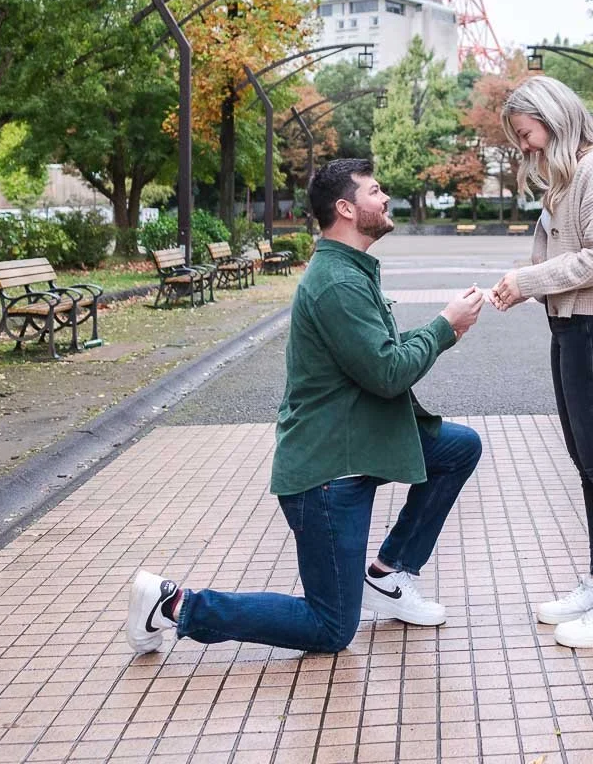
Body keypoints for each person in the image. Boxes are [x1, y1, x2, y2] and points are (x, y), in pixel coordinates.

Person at [124, 158, 486, 655]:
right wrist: (444, 325)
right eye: (375, 191)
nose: (385, 199)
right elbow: (386, 373)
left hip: (358, 442)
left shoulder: (349, 271)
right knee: (330, 627)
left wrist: (442, 331)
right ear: (346, 208)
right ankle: (174, 606)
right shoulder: (337, 282)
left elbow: (376, 359)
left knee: (458, 448)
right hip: (327, 471)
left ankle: (385, 574)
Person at [489, 75, 593, 649]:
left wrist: (526, 281)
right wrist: (527, 284)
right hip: (574, 328)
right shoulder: (567, 175)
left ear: (554, 119)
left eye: (528, 134)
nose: (526, 147)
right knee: (590, 463)